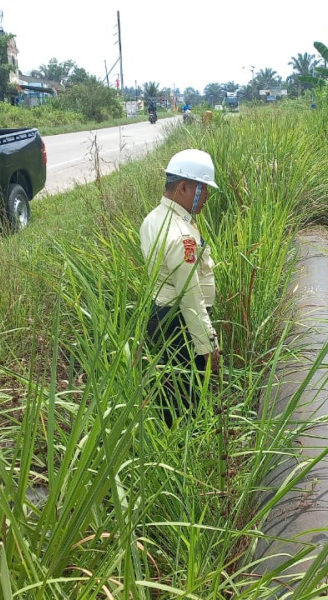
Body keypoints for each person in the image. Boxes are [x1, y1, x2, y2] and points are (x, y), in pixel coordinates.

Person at [140, 149, 220, 424]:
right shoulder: (181, 235)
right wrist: (207, 344)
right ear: (184, 186)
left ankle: (171, 438)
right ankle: (187, 445)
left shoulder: (154, 218)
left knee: (171, 389)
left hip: (163, 315)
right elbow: (191, 298)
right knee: (188, 396)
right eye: (204, 189)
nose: (207, 197)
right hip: (181, 324)